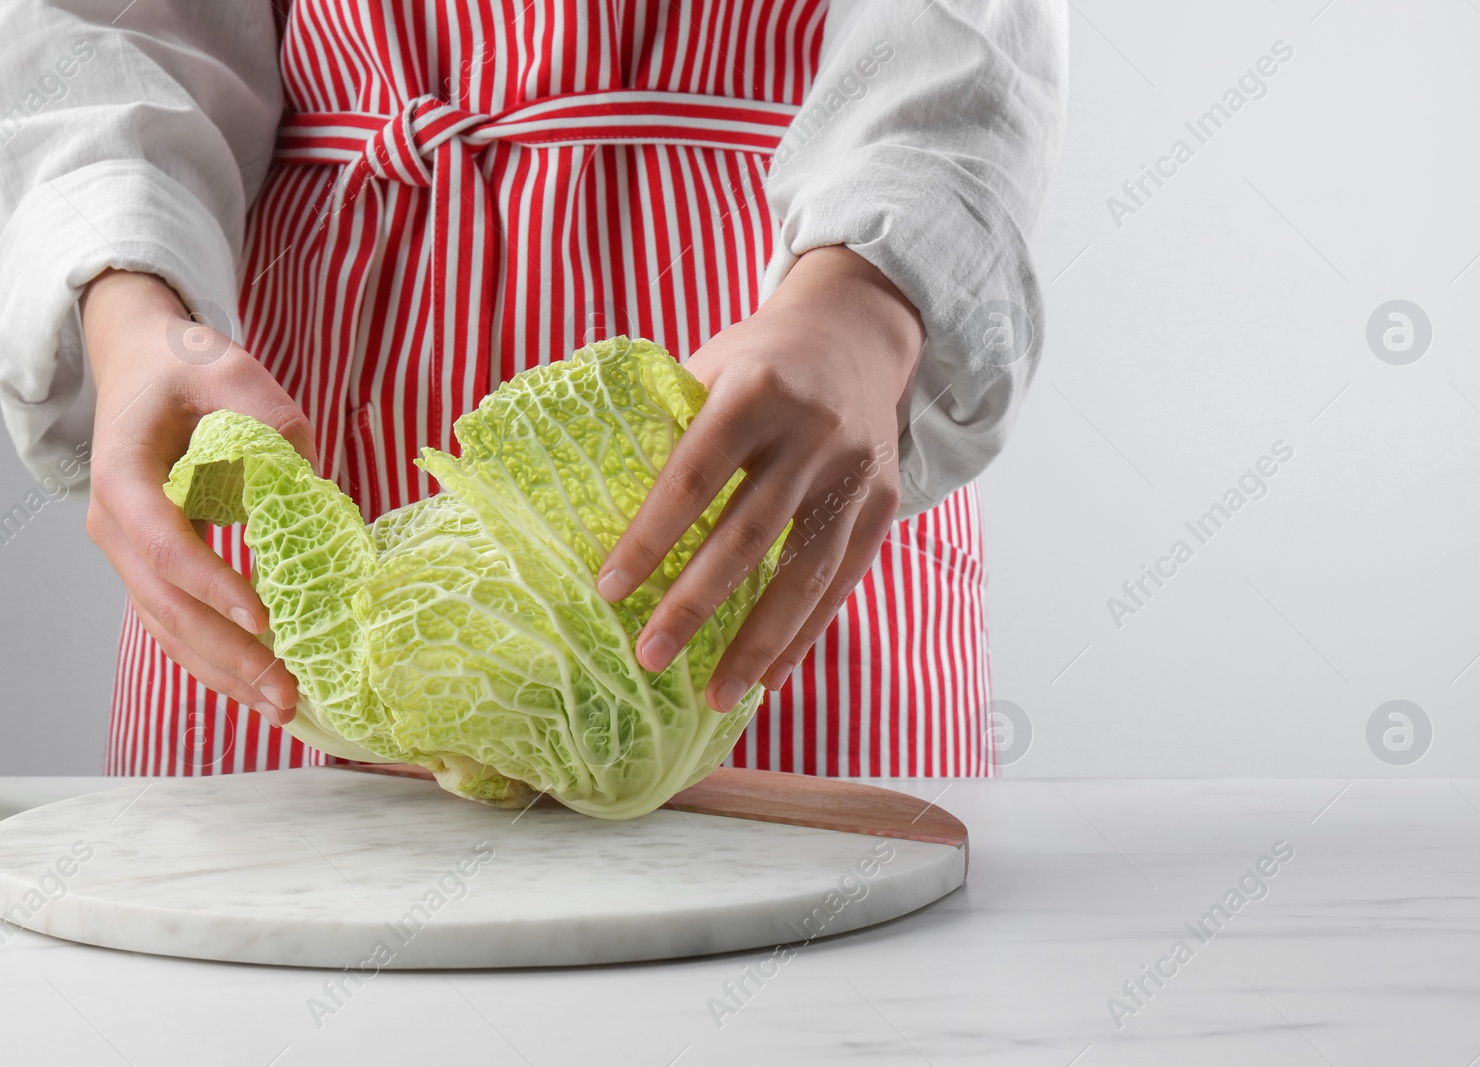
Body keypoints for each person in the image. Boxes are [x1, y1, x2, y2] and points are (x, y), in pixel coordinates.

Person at [0, 0, 1064, 779]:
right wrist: (132, 303)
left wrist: (872, 298)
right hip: (294, 379)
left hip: (783, 366)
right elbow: (108, 33)